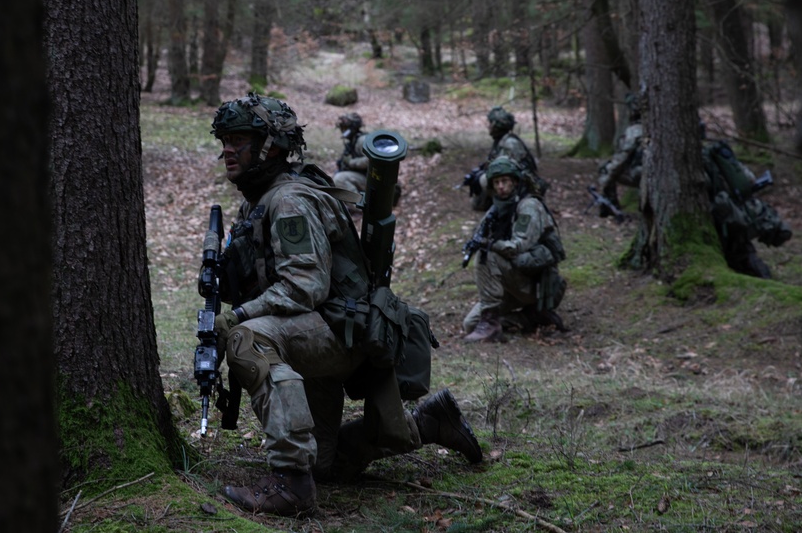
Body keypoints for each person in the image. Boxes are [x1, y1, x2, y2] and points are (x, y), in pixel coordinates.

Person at [210, 93, 482, 517]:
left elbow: (305, 286)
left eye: (239, 138)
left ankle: (290, 485)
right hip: (316, 335)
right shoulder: (260, 201)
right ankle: (431, 423)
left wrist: (239, 315)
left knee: (247, 339)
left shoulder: (289, 201)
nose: (227, 149)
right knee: (326, 465)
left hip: (334, 333)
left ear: (272, 146)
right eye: (224, 139)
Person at [462, 156, 567, 342]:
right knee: (470, 324)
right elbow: (480, 233)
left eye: (505, 181)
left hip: (538, 285)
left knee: (487, 255)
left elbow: (518, 246)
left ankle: (494, 325)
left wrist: (490, 244)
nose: (501, 186)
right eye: (496, 182)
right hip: (512, 285)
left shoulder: (529, 206)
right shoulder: (498, 209)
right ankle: (530, 317)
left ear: (515, 182)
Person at [701, 128, 792, 279]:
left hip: (726, 219)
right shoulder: (715, 154)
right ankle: (765, 279)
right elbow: (749, 178)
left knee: (740, 255)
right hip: (735, 214)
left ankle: (763, 282)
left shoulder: (700, 159)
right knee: (744, 254)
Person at [465, 106, 547, 212]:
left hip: (522, 185)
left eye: (491, 123)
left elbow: (506, 170)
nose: (488, 127)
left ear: (496, 125)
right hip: (515, 182)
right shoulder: (501, 141)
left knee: (485, 180)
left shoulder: (510, 144)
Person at [596, 94, 644, 216]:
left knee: (605, 168)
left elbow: (621, 158)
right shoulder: (660, 126)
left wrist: (605, 179)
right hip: (651, 172)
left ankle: (610, 208)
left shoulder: (635, 130)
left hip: (642, 173)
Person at [332, 112, 368, 195]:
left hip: (371, 179)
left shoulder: (362, 140)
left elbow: (370, 160)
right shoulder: (353, 141)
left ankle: (359, 207)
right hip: (363, 176)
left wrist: (351, 162)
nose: (342, 130)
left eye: (345, 127)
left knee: (340, 179)